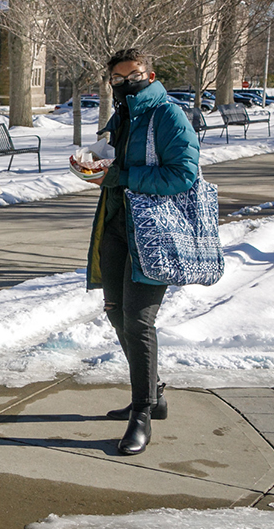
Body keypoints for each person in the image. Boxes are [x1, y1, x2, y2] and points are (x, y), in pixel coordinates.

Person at [83, 49, 200, 455]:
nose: (124, 82)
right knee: (116, 312)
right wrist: (92, 162)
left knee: (138, 319)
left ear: (149, 74)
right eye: (116, 77)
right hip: (116, 226)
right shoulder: (124, 114)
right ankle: (153, 393)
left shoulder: (167, 115)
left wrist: (121, 174)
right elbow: (110, 155)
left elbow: (184, 174)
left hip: (154, 232)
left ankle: (143, 412)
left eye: (132, 75)